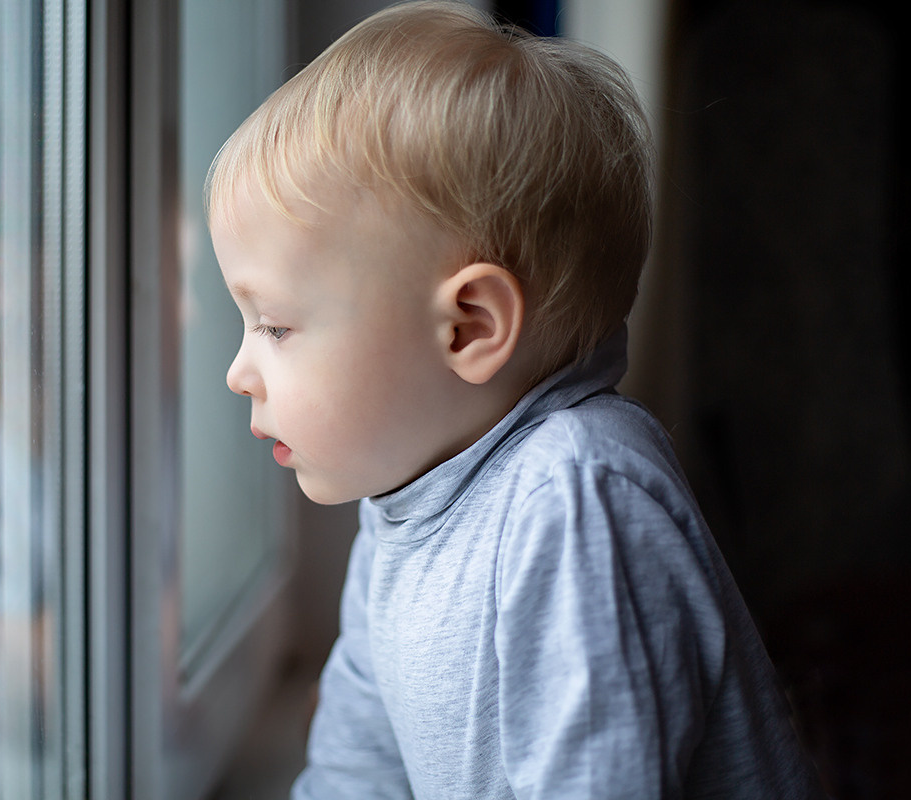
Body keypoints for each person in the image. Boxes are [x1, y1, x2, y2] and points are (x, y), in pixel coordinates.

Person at [204, 2, 826, 797]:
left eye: (277, 326)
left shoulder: (573, 497)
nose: (237, 371)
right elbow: (356, 768)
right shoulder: (403, 504)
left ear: (470, 327)